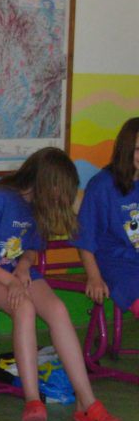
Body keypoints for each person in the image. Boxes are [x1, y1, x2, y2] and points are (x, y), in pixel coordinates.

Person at [0, 147, 122, 421]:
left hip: (13, 270)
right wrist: (10, 281)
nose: (60, 199)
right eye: (59, 191)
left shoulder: (36, 205)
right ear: (45, 182)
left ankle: (87, 402)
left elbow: (30, 248)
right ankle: (32, 400)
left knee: (57, 309)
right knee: (24, 308)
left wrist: (22, 266)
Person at [74, 117, 139, 318]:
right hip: (117, 264)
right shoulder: (102, 185)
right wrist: (94, 277)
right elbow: (85, 237)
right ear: (126, 150)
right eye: (138, 149)